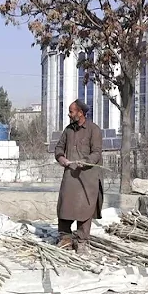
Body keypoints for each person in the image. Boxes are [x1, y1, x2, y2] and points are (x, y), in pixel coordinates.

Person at [54, 99, 103, 255]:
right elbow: (59, 147)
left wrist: (86, 162)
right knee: (65, 205)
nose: (69, 114)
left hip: (87, 177)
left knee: (85, 209)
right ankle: (65, 238)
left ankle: (81, 241)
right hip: (70, 174)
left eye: (71, 111)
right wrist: (62, 159)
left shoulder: (94, 130)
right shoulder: (68, 130)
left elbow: (96, 152)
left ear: (80, 113)